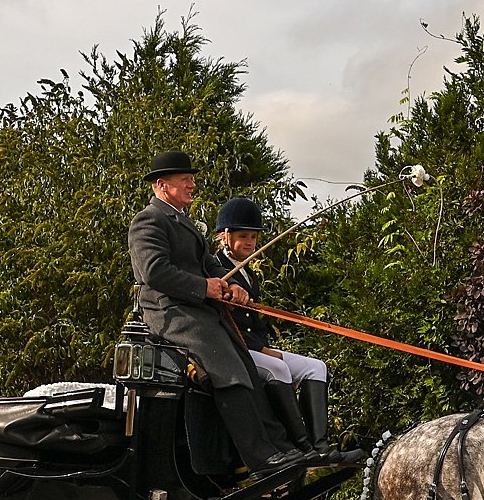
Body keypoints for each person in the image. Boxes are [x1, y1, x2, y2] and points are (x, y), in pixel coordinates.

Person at [127, 150, 309, 476]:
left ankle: (283, 448)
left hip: (198, 311)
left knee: (247, 368)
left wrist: (231, 287)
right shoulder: (148, 220)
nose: (192, 184)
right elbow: (154, 272)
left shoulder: (184, 222)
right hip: (170, 313)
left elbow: (209, 265)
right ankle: (259, 459)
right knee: (228, 367)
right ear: (162, 184)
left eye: (191, 179)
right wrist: (204, 287)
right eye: (186, 179)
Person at [212, 197, 351, 457]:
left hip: (258, 347)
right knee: (277, 367)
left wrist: (265, 346)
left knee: (316, 367)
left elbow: (256, 323)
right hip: (235, 351)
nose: (250, 243)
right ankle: (299, 447)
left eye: (254, 237)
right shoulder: (218, 270)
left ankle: (319, 446)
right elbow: (225, 323)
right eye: (244, 237)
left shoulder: (248, 274)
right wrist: (261, 350)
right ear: (225, 237)